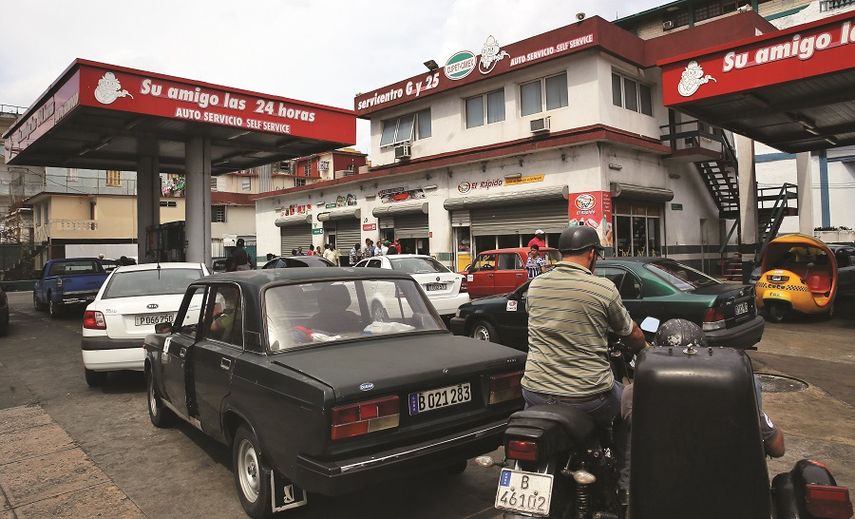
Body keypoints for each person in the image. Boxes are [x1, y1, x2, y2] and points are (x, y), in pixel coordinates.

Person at [522, 225, 645, 461]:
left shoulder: (536, 286)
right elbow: (631, 333)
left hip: (534, 391)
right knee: (630, 401)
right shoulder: (603, 288)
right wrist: (646, 349)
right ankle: (625, 480)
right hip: (588, 396)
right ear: (591, 253)